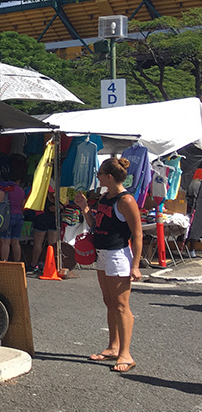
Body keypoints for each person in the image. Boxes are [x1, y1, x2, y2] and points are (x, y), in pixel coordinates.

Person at [73, 157, 143, 373]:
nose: (97, 177)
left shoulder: (126, 200)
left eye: (100, 174)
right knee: (109, 301)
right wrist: (84, 208)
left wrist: (135, 265)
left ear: (109, 177)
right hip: (102, 253)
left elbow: (138, 234)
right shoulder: (105, 197)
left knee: (121, 304)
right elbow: (95, 224)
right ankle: (113, 346)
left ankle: (126, 353)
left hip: (118, 254)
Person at [0, 174, 26, 263]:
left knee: (5, 242)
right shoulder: (21, 191)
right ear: (18, 181)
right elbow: (23, 206)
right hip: (19, 217)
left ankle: (4, 262)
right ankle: (17, 263)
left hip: (8, 217)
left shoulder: (5, 188)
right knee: (16, 242)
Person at [28, 187, 59, 273]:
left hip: (41, 216)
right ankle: (51, 264)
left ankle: (34, 264)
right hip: (53, 217)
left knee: (38, 243)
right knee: (52, 244)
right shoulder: (51, 188)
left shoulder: (37, 187)